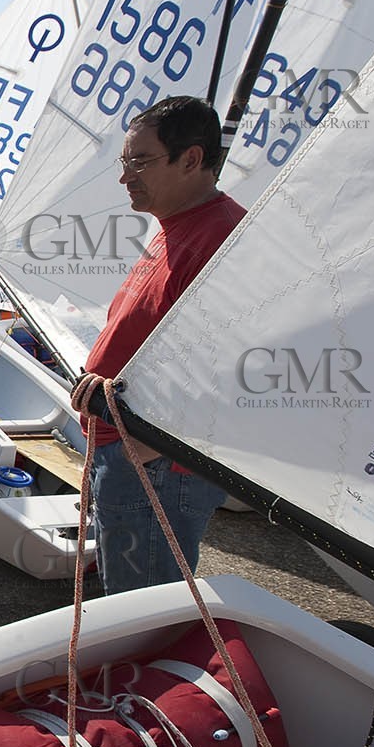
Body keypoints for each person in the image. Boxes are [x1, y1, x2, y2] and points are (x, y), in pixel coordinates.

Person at [70, 97, 238, 595]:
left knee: (141, 605)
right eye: (125, 163)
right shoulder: (174, 229)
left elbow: (238, 360)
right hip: (127, 449)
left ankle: (138, 673)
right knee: (129, 595)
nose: (125, 177)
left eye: (139, 162)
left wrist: (153, 444)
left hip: (155, 460)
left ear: (191, 159)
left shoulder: (221, 237)